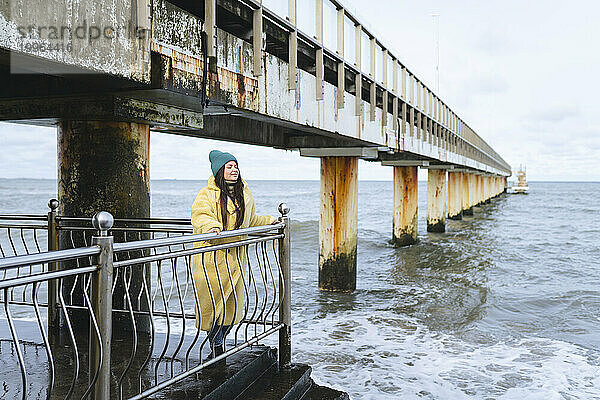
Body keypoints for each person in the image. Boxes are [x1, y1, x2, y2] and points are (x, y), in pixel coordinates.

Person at [191, 150, 276, 359]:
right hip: (211, 259)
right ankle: (216, 344)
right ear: (220, 170)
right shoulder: (207, 194)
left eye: (235, 166)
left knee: (231, 309)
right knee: (212, 306)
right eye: (229, 167)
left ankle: (219, 341)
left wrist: (270, 222)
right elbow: (201, 214)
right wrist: (211, 227)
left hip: (236, 260)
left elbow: (251, 220)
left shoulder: (244, 193)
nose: (234, 170)